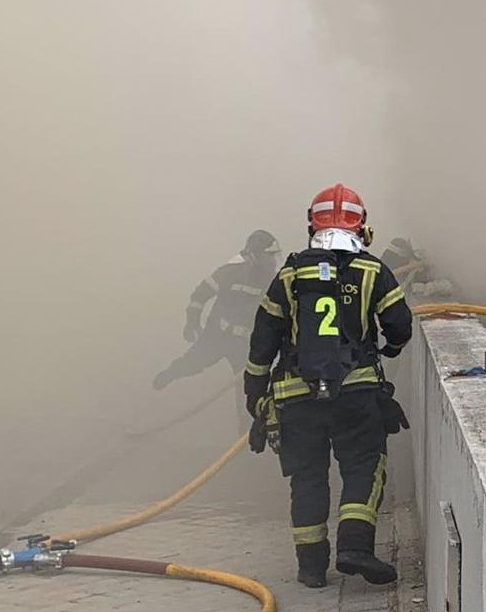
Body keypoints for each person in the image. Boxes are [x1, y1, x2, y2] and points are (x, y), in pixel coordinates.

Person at [243, 184, 413, 589]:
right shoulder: (372, 271)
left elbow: (262, 340)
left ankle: (312, 567)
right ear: (362, 226)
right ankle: (354, 547)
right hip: (356, 395)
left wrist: (255, 394)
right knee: (363, 466)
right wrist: (390, 347)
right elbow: (399, 326)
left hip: (295, 398)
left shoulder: (288, 274)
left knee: (307, 478)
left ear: (311, 225)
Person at [153, 230, 283, 390]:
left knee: (248, 388)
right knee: (192, 363)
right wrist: (192, 321)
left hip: (244, 344)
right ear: (255, 254)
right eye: (268, 256)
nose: (272, 261)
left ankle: (247, 414)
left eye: (273, 256)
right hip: (217, 336)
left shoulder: (272, 281)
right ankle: (166, 378)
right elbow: (200, 294)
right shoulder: (231, 271)